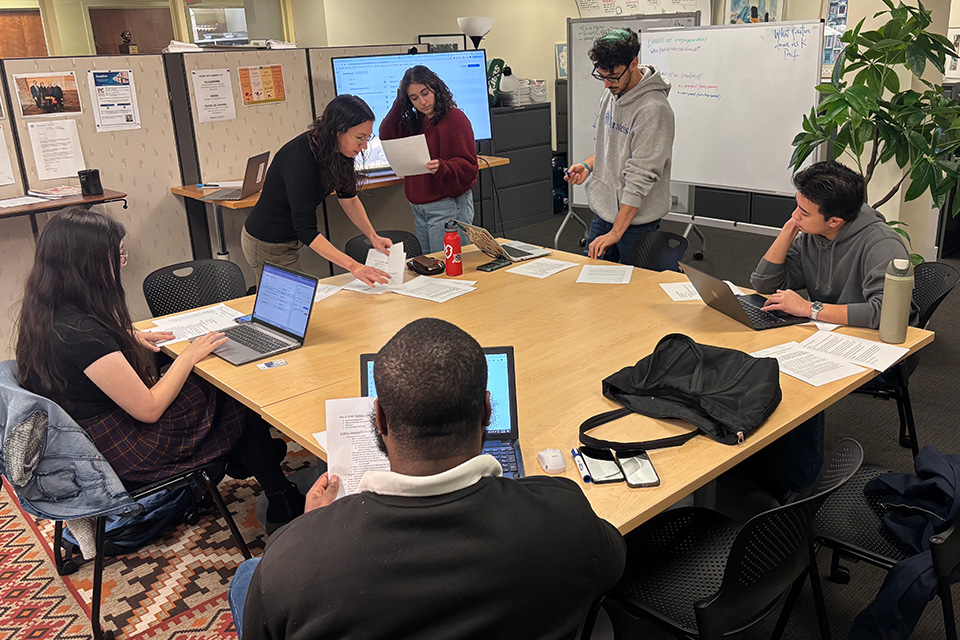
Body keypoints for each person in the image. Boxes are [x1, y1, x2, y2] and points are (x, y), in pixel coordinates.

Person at [229, 318, 626, 639]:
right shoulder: (564, 515)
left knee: (249, 576)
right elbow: (611, 564)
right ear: (488, 410)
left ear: (379, 419)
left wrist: (309, 525)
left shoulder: (294, 556)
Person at [16, 208, 304, 532]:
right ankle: (278, 492)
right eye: (119, 256)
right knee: (229, 388)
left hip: (95, 433)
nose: (122, 264)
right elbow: (150, 409)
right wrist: (189, 354)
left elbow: (85, 359)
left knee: (200, 380)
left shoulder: (47, 310)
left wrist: (127, 338)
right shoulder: (81, 335)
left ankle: (245, 455)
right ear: (88, 263)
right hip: (124, 450)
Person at [739, 160, 916, 496]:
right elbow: (763, 281)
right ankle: (759, 466)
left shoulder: (881, 243)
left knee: (795, 380)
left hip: (875, 346)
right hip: (826, 334)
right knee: (760, 360)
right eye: (796, 207)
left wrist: (810, 308)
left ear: (834, 219)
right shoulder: (813, 233)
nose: (796, 215)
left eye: (804, 212)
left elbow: (887, 314)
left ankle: (800, 485)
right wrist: (791, 229)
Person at [242, 94, 393, 286]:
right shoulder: (301, 159)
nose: (363, 147)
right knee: (290, 304)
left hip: (290, 239)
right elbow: (305, 229)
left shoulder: (340, 151)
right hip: (266, 242)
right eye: (359, 138)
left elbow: (349, 198)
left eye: (367, 138)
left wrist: (373, 236)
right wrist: (354, 266)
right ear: (336, 131)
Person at [564, 28, 675, 264]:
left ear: (633, 64)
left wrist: (616, 232)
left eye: (613, 76)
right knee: (591, 280)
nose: (606, 84)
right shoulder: (612, 93)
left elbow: (640, 176)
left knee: (635, 293)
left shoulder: (653, 109)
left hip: (637, 222)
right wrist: (589, 164)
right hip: (604, 213)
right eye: (602, 76)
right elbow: (613, 147)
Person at [379, 65, 478, 253]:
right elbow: (386, 132)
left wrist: (443, 167)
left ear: (435, 87)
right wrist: (400, 100)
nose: (422, 102)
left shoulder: (454, 118)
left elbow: (469, 166)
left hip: (447, 204)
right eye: (414, 98)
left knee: (449, 266)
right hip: (420, 207)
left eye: (425, 93)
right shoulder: (419, 120)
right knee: (432, 265)